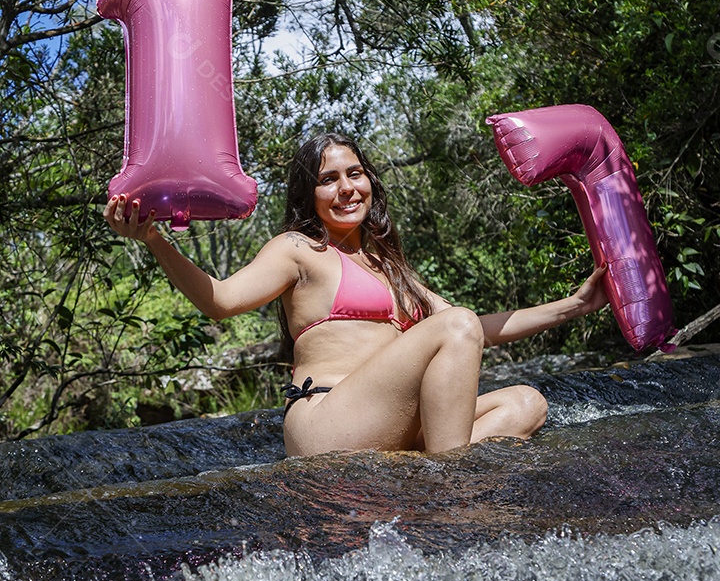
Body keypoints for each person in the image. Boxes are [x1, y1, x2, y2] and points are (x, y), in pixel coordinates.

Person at [104, 132, 608, 457]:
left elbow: (477, 329)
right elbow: (219, 300)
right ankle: (456, 488)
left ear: (370, 181)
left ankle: (431, 467)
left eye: (355, 174)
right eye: (328, 180)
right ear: (309, 197)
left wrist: (576, 306)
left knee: (527, 402)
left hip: (385, 425)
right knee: (456, 325)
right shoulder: (297, 250)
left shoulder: (390, 266)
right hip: (328, 421)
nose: (347, 189)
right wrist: (154, 240)